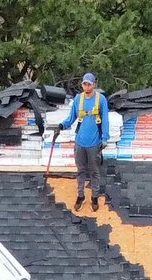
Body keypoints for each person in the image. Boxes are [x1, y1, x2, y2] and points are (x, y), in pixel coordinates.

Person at [66, 74, 111, 211]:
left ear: (94, 85)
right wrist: (62, 125)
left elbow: (105, 120)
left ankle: (94, 197)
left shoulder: (101, 100)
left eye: (89, 84)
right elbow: (71, 117)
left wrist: (104, 138)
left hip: (94, 143)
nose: (87, 86)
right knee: (80, 171)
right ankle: (81, 196)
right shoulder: (78, 99)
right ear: (82, 85)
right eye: (85, 84)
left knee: (94, 172)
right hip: (80, 142)